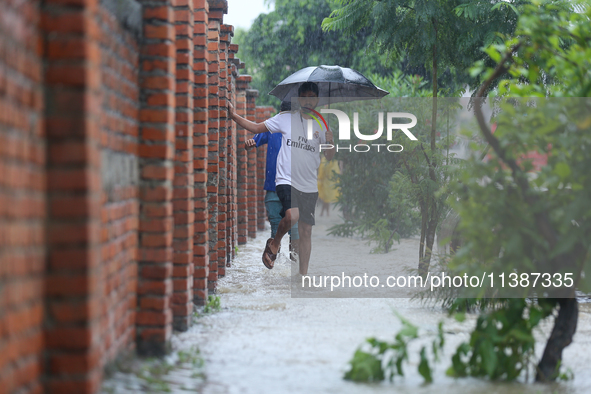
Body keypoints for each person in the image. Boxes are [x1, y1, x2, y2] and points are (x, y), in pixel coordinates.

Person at [228, 82, 335, 275]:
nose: (308, 100)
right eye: (305, 97)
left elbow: (329, 156)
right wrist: (234, 115)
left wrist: (331, 142)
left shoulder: (322, 125)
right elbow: (255, 127)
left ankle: (302, 276)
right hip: (286, 180)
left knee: (306, 232)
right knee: (292, 215)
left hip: (309, 185)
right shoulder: (285, 118)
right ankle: (275, 242)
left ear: (317, 100)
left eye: (312, 97)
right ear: (299, 99)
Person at [244, 101, 299, 260]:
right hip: (274, 187)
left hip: (293, 187)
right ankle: (276, 269)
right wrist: (249, 144)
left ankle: (293, 273)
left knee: (295, 233)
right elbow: (254, 140)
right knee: (277, 230)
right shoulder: (272, 127)